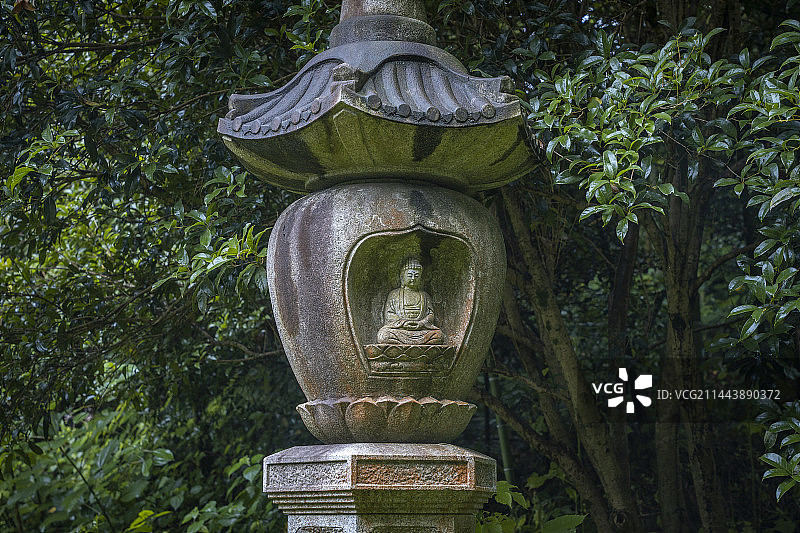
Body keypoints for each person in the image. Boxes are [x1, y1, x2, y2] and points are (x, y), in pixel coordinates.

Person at [376, 256, 445, 345]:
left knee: (438, 335)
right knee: (383, 335)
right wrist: (404, 323)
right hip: (401, 330)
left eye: (416, 276)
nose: (413, 278)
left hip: (421, 331)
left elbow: (430, 314)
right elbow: (389, 314)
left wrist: (421, 323)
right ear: (402, 277)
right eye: (409, 275)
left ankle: (409, 346)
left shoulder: (424, 296)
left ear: (420, 278)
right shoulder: (394, 294)